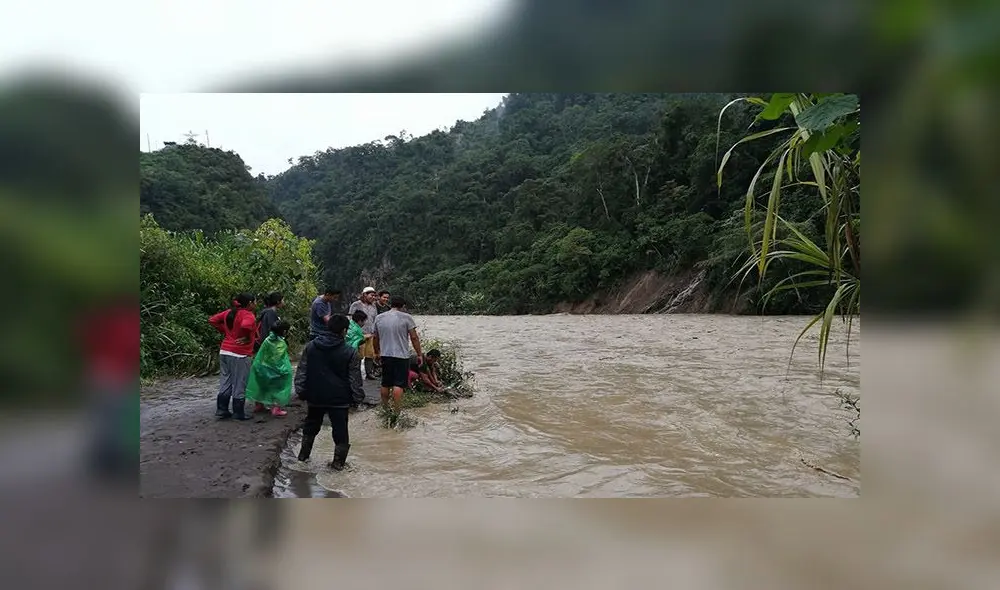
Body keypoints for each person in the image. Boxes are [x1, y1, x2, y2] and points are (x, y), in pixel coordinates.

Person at [294, 314, 365, 470]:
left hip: (315, 395)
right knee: (340, 431)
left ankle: (302, 459)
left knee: (311, 426)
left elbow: (302, 370)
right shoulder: (350, 352)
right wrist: (357, 399)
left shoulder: (311, 346)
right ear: (344, 331)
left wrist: (300, 390)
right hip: (339, 398)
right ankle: (338, 465)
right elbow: (355, 380)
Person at [208, 293, 257, 420]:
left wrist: (225, 330)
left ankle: (222, 409)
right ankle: (238, 412)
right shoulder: (248, 315)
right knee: (240, 382)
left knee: (226, 380)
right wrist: (246, 337)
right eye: (255, 302)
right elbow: (245, 325)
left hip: (224, 351)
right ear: (250, 303)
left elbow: (212, 320)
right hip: (240, 353)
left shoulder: (229, 312)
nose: (256, 304)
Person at [372, 296, 424, 413]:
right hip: (401, 356)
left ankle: (385, 409)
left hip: (385, 355)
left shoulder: (379, 318)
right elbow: (414, 337)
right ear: (403, 306)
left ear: (391, 304)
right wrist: (419, 354)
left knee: (385, 383)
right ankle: (397, 412)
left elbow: (375, 337)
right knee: (398, 384)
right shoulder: (407, 318)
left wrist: (376, 352)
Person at [246, 320, 294, 417]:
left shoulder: (267, 339)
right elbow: (278, 360)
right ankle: (276, 408)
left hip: (260, 367)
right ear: (284, 331)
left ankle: (259, 405)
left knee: (262, 387)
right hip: (273, 370)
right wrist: (285, 371)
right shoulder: (280, 343)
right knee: (278, 388)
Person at [348, 287, 379, 379]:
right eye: (371, 295)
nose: (373, 297)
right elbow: (350, 319)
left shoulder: (373, 306)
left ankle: (369, 373)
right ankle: (355, 373)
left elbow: (375, 319)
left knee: (370, 355)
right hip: (359, 335)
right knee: (358, 355)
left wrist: (375, 332)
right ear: (365, 295)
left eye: (374, 296)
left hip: (371, 334)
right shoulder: (356, 305)